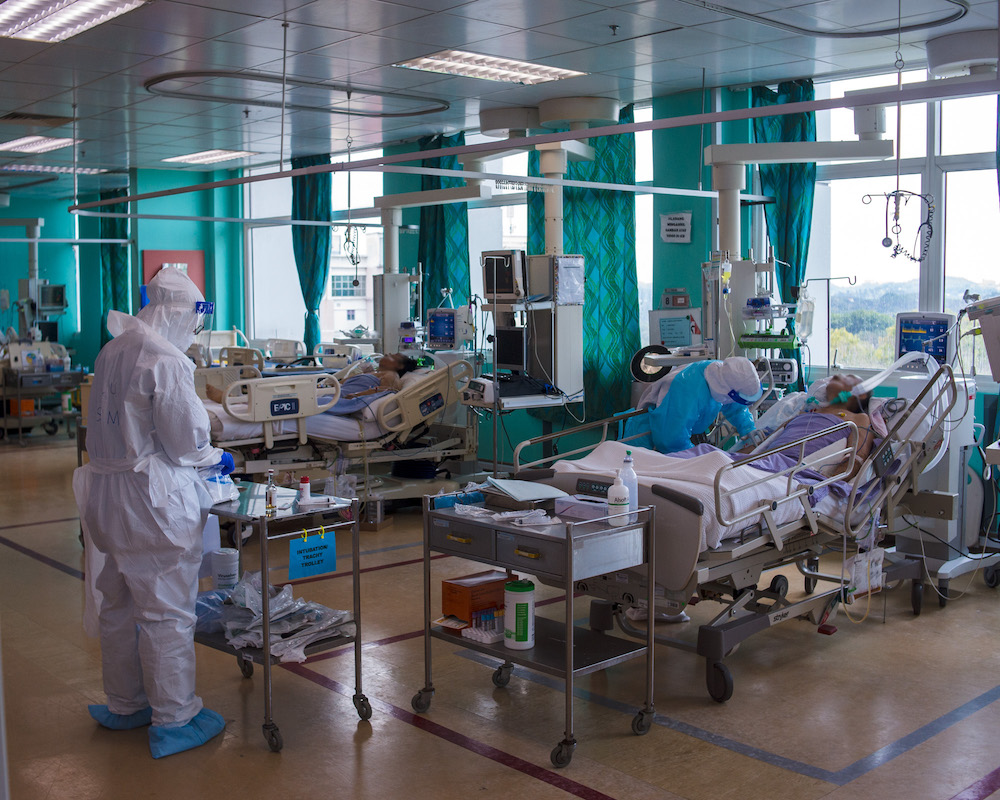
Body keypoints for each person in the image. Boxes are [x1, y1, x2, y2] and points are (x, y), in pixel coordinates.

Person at [73, 268, 228, 759]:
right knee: (165, 612)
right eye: (194, 320)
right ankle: (175, 719)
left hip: (103, 493)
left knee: (117, 604)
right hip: (150, 503)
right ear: (180, 314)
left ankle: (125, 703)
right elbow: (186, 441)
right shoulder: (167, 361)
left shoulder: (112, 348)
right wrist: (213, 456)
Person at [626, 357, 763, 454]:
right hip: (652, 437)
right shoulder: (687, 390)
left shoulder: (725, 373)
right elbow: (670, 440)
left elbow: (735, 405)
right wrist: (698, 458)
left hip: (679, 433)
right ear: (725, 390)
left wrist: (747, 426)